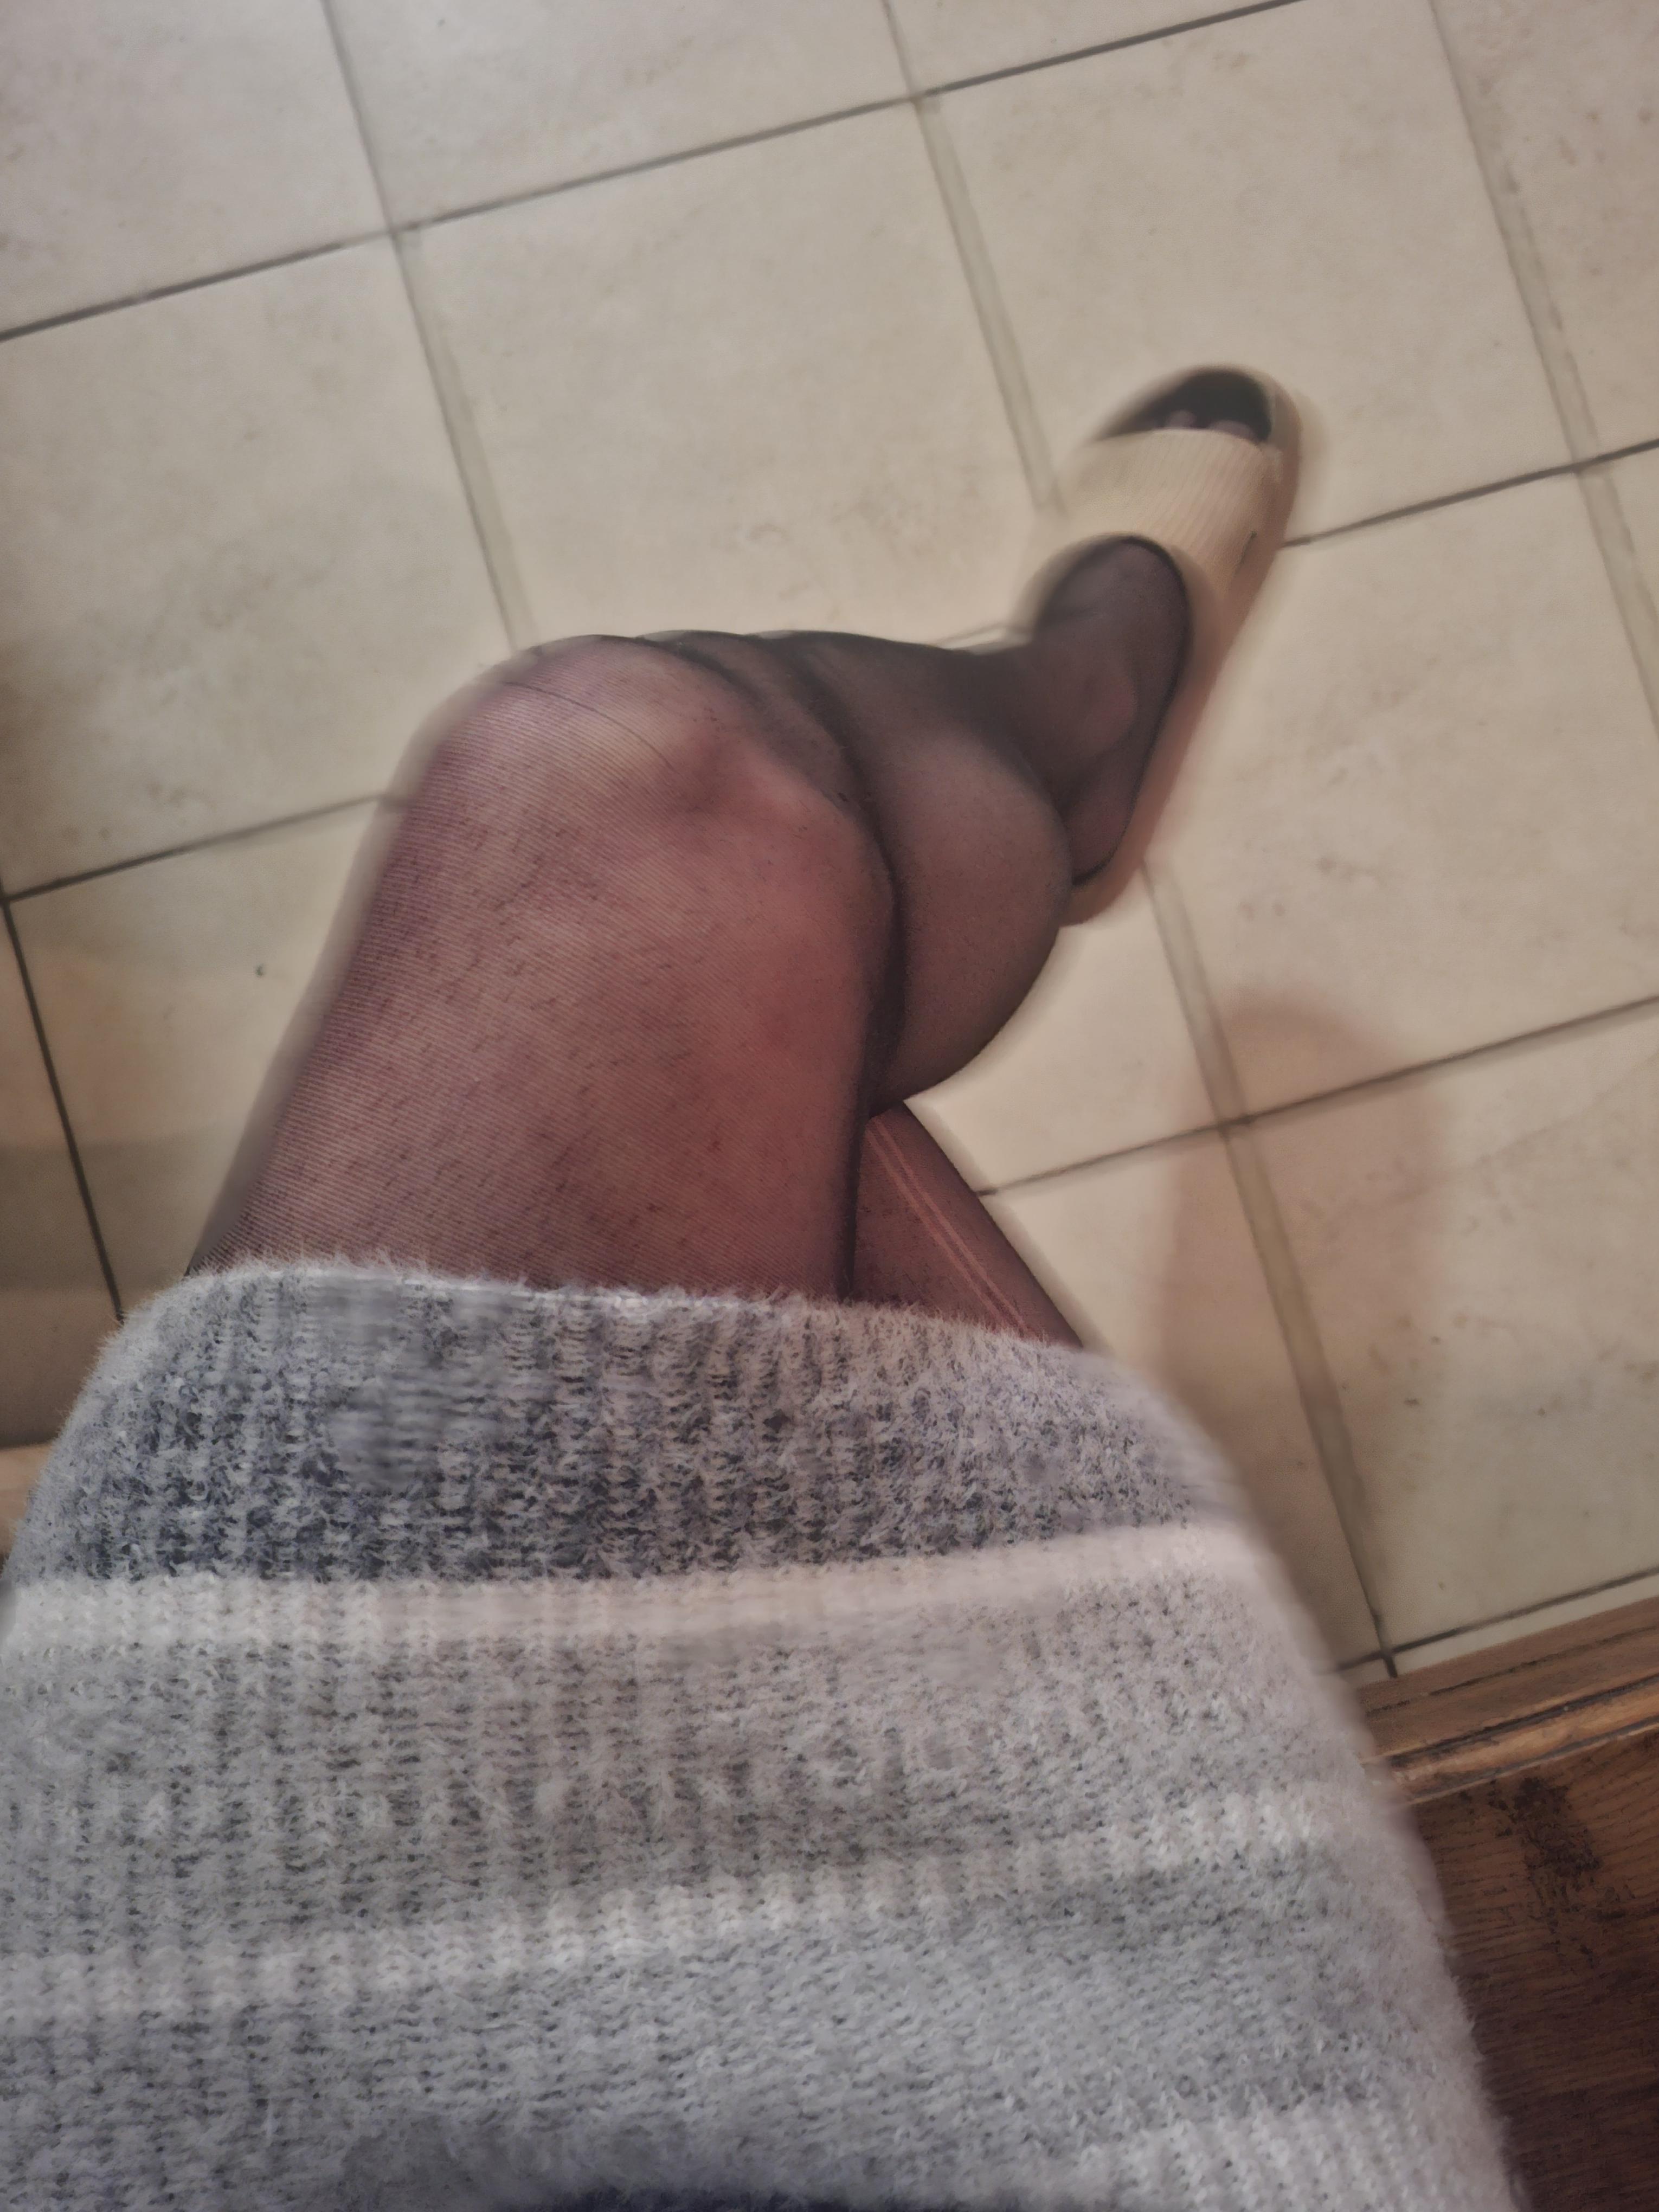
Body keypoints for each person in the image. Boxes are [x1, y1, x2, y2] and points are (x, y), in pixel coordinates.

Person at [1, 371, 1517, 2209]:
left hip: (205, 2047)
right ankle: (1084, 716)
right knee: (672, 875)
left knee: (643, 809)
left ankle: (1079, 733)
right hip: (1094, 2134)